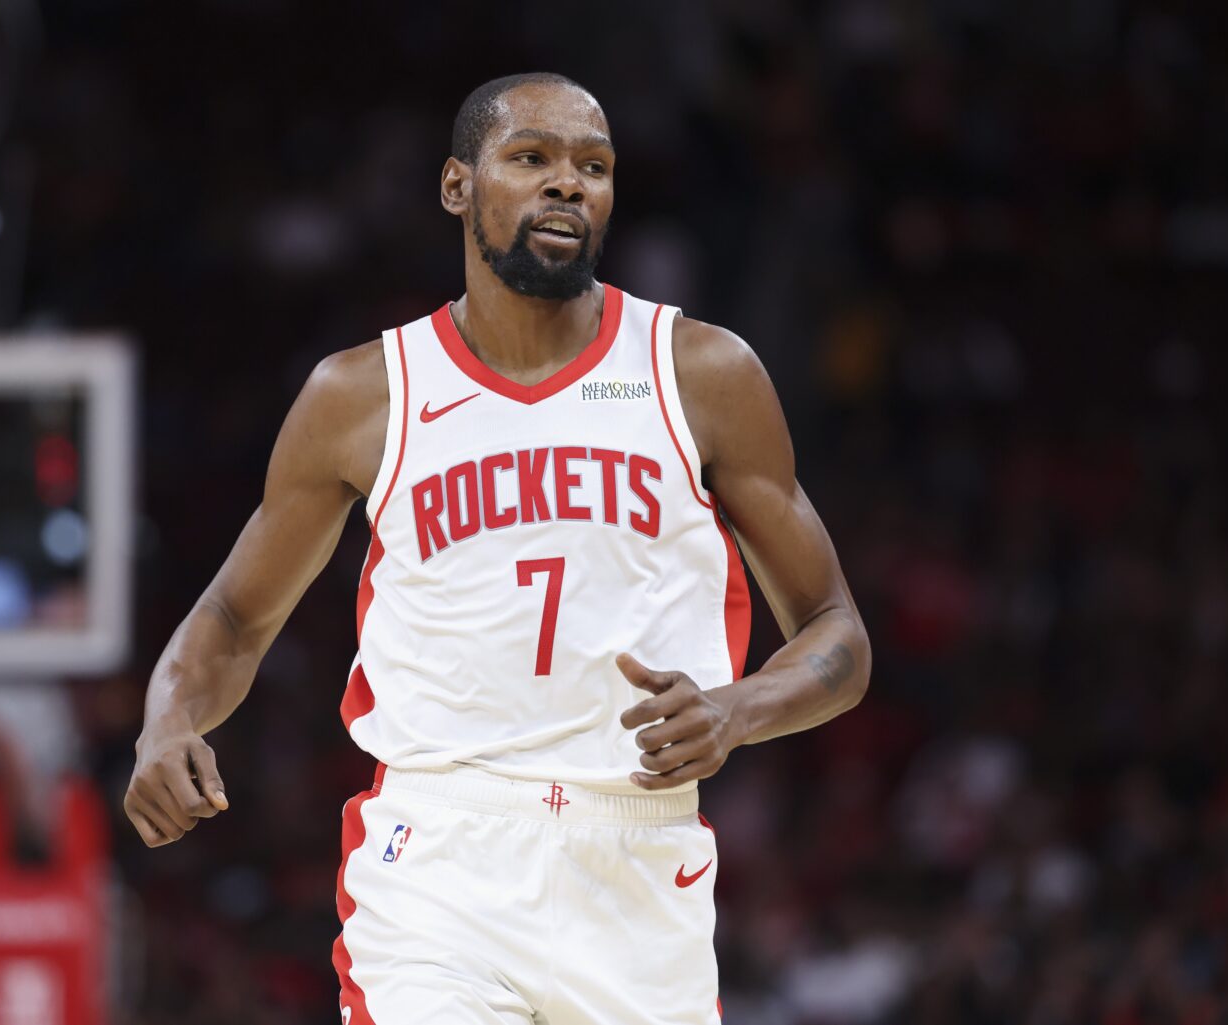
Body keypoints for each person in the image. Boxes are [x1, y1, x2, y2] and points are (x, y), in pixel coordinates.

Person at [125, 71, 871, 1024]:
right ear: (457, 186)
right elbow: (233, 614)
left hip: (637, 862)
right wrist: (168, 721)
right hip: (440, 860)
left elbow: (836, 633)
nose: (569, 184)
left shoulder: (701, 373)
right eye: (532, 158)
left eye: (593, 167)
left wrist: (738, 709)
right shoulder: (364, 394)